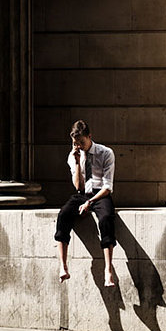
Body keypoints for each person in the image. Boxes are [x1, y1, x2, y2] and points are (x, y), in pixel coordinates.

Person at [54, 120, 116, 287]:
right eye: (75, 143)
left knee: (106, 218)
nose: (79, 146)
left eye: (81, 142)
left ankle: (108, 270)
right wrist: (76, 162)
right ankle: (63, 266)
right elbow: (78, 186)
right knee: (64, 214)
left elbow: (108, 187)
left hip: (100, 194)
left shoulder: (106, 153)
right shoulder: (73, 155)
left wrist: (91, 202)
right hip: (83, 194)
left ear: (89, 137)